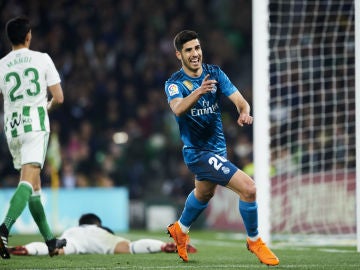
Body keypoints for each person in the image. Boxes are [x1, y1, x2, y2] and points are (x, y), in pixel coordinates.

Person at [164, 30, 279, 266]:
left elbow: (240, 101)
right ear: (179, 55)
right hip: (197, 153)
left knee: (204, 193)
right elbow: (177, 109)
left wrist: (244, 112)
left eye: (197, 48)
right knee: (249, 189)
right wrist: (199, 91)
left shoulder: (214, 73)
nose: (195, 54)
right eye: (188, 50)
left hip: (218, 149)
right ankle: (254, 240)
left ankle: (180, 229)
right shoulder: (174, 84)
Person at [0, 16, 66, 259]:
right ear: (28, 36)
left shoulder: (2, 64)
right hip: (35, 127)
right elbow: (58, 97)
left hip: (12, 129)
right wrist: (44, 108)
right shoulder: (42, 59)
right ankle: (4, 228)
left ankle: (50, 241)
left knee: (34, 186)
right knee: (27, 181)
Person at [8, 213, 197, 256]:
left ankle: (27, 249)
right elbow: (117, 240)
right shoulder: (101, 229)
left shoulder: (74, 229)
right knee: (129, 247)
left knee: (56, 248)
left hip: (72, 238)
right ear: (96, 223)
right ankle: (163, 246)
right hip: (100, 238)